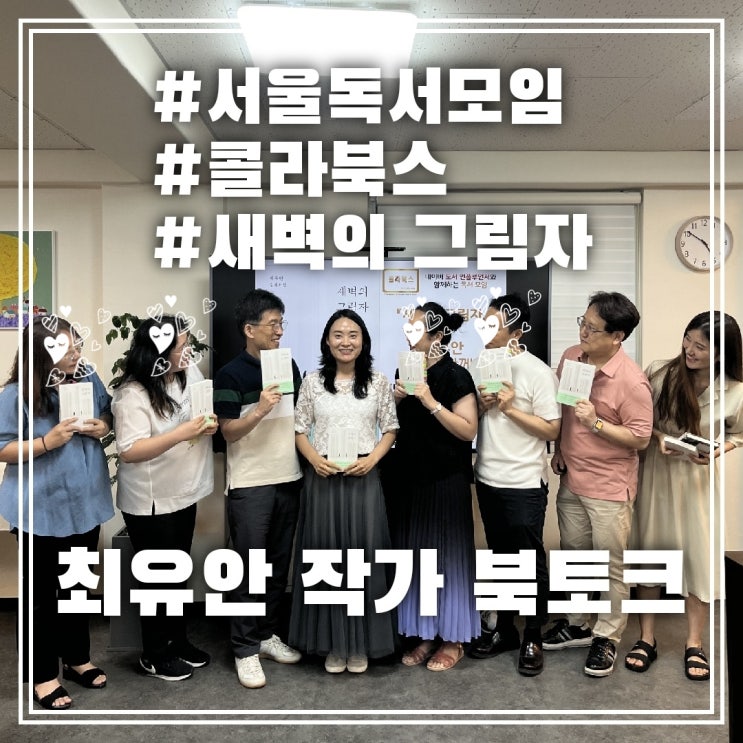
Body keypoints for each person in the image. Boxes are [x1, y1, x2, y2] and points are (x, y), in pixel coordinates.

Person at [0, 317, 114, 709]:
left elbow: (107, 414)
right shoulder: (15, 394)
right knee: (41, 596)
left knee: (77, 586)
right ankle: (42, 675)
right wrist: (47, 441)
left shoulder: (87, 376)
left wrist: (102, 427)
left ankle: (77, 658)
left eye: (77, 345)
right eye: (67, 349)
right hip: (40, 508)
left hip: (85, 502)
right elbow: (2, 449)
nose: (77, 353)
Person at [625, 311, 743, 680]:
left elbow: (738, 434)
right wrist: (661, 438)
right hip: (658, 475)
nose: (689, 350)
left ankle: (695, 643)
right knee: (651, 555)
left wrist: (719, 449)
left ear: (721, 354)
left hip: (698, 480)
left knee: (699, 560)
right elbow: (640, 423)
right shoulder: (660, 373)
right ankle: (646, 638)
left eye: (701, 346)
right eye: (688, 340)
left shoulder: (735, 390)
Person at [544, 291, 653, 677]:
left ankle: (607, 635)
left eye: (592, 328)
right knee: (574, 556)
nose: (583, 332)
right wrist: (559, 448)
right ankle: (578, 623)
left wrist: (597, 423)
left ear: (617, 336)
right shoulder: (572, 357)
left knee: (610, 564)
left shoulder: (632, 382)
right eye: (583, 322)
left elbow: (640, 437)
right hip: (572, 477)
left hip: (609, 486)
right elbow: (563, 409)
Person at [289, 309, 398, 673]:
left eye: (353, 335)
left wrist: (372, 460)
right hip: (323, 480)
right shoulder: (312, 382)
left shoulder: (379, 382)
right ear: (327, 341)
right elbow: (299, 430)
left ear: (363, 341)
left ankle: (360, 644)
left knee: (363, 560)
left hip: (362, 480)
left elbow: (390, 429)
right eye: (338, 335)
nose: (345, 341)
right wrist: (313, 460)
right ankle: (333, 644)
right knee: (327, 558)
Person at [112, 316, 217, 682]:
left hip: (185, 490)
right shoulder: (133, 393)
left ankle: (177, 641)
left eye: (188, 345)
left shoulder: (189, 373)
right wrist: (182, 432)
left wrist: (207, 423)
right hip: (151, 501)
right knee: (157, 580)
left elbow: (200, 410)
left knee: (178, 574)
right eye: (180, 347)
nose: (188, 353)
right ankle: (154, 654)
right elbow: (130, 450)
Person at [214, 289, 302, 690]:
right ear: (250, 330)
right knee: (248, 569)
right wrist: (261, 408)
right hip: (251, 483)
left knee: (277, 567)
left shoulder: (289, 365)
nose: (279, 331)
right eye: (272, 325)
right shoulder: (230, 374)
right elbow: (228, 432)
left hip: (289, 476)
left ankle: (267, 635)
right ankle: (245, 649)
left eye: (281, 323)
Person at [469, 293, 561, 676]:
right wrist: (483, 405)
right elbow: (475, 419)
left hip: (523, 481)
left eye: (494, 324)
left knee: (529, 561)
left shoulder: (537, 371)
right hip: (487, 476)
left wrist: (509, 408)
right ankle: (504, 629)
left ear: (517, 332)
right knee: (500, 558)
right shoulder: (481, 363)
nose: (485, 330)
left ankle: (533, 635)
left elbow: (552, 429)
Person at [392, 301, 479, 672]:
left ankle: (454, 639)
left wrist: (429, 401)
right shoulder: (405, 370)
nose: (410, 336)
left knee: (449, 560)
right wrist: (395, 398)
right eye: (408, 328)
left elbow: (468, 430)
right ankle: (425, 633)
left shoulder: (456, 376)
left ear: (439, 335)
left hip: (446, 479)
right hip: (409, 479)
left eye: (417, 329)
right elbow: (391, 423)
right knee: (419, 560)